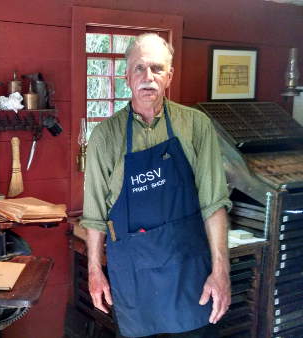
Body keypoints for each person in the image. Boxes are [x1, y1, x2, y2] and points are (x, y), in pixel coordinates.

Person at [81, 33, 231, 338]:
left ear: (169, 76)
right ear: (127, 76)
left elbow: (214, 204)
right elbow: (94, 215)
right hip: (136, 278)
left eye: (157, 69)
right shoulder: (105, 137)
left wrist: (221, 271)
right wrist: (95, 272)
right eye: (139, 68)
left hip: (189, 273)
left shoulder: (195, 125)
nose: (148, 77)